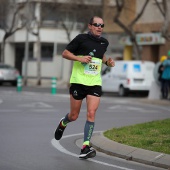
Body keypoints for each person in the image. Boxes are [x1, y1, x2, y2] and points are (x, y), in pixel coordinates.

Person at [54, 16, 115, 159]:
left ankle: (85, 146)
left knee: (91, 113)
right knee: (74, 116)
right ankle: (63, 122)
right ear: (90, 26)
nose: (99, 27)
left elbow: (101, 55)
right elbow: (65, 53)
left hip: (94, 82)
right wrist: (80, 58)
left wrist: (108, 62)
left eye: (102, 25)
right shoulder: (80, 39)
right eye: (96, 24)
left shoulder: (104, 42)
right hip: (78, 82)